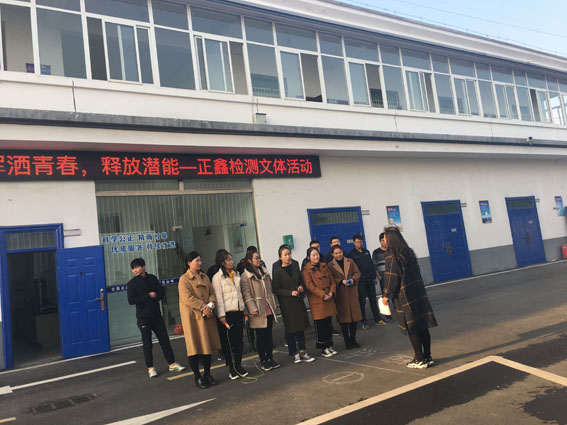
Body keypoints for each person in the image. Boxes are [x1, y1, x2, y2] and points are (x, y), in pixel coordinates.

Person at [381, 227, 438, 369]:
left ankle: (419, 359)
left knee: (412, 328)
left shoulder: (391, 256)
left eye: (385, 238)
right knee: (423, 326)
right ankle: (427, 356)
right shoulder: (408, 252)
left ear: (391, 239)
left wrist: (386, 296)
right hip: (417, 293)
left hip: (404, 296)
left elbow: (392, 278)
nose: (384, 241)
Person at [126, 258, 186, 378]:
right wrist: (148, 295)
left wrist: (156, 295)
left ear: (144, 267)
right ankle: (150, 368)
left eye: (137, 267)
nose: (135, 270)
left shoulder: (152, 278)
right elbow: (131, 300)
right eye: (133, 268)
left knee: (164, 340)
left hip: (156, 315)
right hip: (143, 317)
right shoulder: (132, 283)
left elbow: (161, 293)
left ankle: (172, 364)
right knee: (147, 343)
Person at [178, 251, 221, 389]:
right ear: (189, 263)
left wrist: (210, 305)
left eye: (200, 260)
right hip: (193, 318)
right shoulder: (184, 279)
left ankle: (207, 374)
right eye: (196, 260)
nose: (199, 263)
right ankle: (197, 376)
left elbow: (212, 293)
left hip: (206, 316)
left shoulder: (205, 276)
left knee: (207, 346)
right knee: (194, 347)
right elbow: (187, 298)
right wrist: (202, 306)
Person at [272, 244, 315, 364]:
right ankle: (294, 352)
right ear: (280, 257)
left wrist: (301, 287)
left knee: (300, 327)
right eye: (285, 255)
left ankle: (303, 351)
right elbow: (276, 289)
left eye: (289, 254)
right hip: (287, 303)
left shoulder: (295, 267)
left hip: (298, 302)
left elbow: (301, 281)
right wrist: (289, 293)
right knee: (291, 329)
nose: (288, 257)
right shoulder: (277, 271)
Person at [240, 250, 280, 371]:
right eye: (256, 258)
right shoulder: (245, 276)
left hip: (268, 307)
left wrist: (275, 302)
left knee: (269, 335)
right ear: (249, 260)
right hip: (257, 310)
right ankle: (264, 360)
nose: (258, 260)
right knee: (261, 336)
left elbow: (271, 288)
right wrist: (252, 308)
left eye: (259, 257)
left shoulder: (264, 271)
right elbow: (246, 294)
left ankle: (270, 357)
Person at [211, 251, 248, 380]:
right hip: (226, 314)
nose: (231, 261)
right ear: (222, 262)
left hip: (238, 311)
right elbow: (218, 298)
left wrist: (244, 309)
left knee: (239, 341)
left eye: (232, 259)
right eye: (228, 259)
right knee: (228, 342)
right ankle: (232, 368)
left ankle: (238, 364)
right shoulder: (217, 277)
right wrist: (221, 315)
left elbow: (241, 294)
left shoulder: (236, 274)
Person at [302, 247, 338, 358]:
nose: (316, 257)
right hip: (318, 301)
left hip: (328, 298)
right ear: (308, 257)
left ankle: (329, 345)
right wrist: (322, 294)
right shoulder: (306, 270)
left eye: (317, 254)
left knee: (328, 323)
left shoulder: (324, 266)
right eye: (313, 255)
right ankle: (323, 347)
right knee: (321, 325)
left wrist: (331, 292)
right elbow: (310, 286)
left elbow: (332, 280)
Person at [327, 245, 362, 349]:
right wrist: (340, 282)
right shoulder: (330, 265)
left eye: (340, 252)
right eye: (336, 253)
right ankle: (347, 340)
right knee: (344, 319)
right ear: (332, 254)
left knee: (354, 318)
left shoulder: (350, 261)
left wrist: (353, 280)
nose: (339, 255)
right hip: (340, 294)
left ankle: (353, 339)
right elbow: (330, 278)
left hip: (351, 293)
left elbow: (357, 272)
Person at [348, 234, 384, 329]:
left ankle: (377, 319)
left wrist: (374, 277)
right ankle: (363, 321)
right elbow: (351, 270)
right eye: (357, 242)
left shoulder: (366, 252)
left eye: (361, 242)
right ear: (354, 242)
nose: (359, 244)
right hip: (360, 282)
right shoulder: (351, 255)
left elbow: (371, 265)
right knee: (362, 301)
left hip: (370, 280)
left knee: (373, 300)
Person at [372, 232, 392, 323]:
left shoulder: (391, 250)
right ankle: (388, 315)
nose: (385, 242)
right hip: (383, 277)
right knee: (385, 296)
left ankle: (399, 311)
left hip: (392, 276)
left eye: (386, 240)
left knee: (395, 295)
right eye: (383, 240)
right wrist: (379, 277)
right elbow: (375, 266)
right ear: (380, 241)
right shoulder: (376, 252)